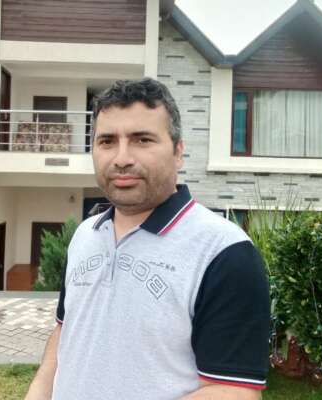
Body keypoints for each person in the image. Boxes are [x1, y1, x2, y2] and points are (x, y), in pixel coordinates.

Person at [24, 78, 270, 400]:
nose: (122, 158)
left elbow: (233, 390)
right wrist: (37, 392)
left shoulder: (225, 253)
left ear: (178, 152)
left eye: (142, 140)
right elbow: (66, 329)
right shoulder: (85, 235)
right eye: (107, 141)